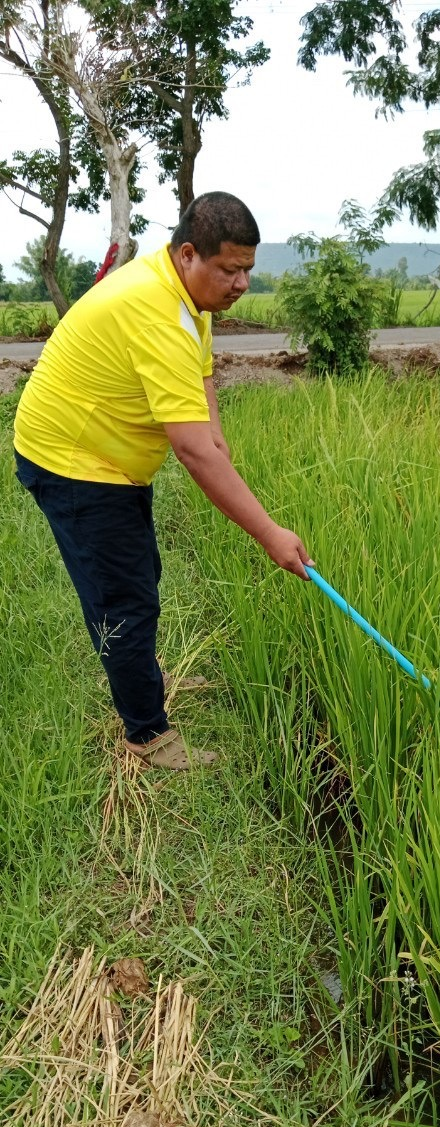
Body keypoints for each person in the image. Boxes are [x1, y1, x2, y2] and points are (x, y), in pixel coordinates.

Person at [14, 191, 312, 770]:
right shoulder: (158, 311)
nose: (241, 283)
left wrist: (227, 462)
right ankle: (148, 738)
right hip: (72, 459)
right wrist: (270, 534)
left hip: (110, 455)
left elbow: (206, 421)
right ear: (187, 255)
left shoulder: (190, 303)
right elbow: (194, 452)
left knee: (140, 573)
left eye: (248, 269)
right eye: (229, 269)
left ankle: (143, 678)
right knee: (124, 599)